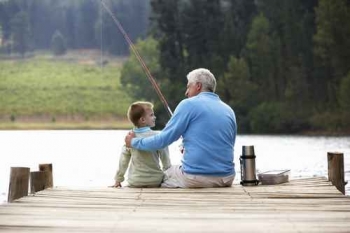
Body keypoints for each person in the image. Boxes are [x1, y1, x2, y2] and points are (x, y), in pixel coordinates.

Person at [125, 68, 237, 188]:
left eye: (189, 86)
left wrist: (134, 142)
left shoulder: (188, 104)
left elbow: (162, 140)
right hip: (226, 178)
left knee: (163, 175)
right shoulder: (228, 110)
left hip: (196, 178)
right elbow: (226, 144)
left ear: (198, 86)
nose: (186, 92)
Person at [112, 101, 171, 188]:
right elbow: (165, 160)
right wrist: (168, 176)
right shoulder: (157, 137)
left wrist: (118, 179)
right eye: (151, 115)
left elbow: (123, 161)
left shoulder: (129, 138)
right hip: (155, 181)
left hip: (135, 181)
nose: (154, 117)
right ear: (143, 120)